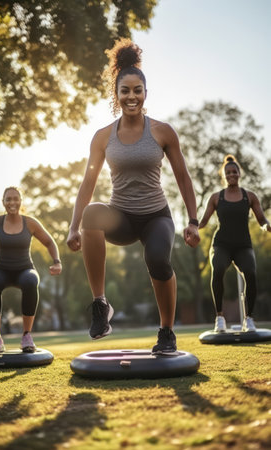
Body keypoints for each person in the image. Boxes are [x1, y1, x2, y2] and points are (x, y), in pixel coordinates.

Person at [67, 38, 200, 355]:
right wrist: (74, 228)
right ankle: (101, 305)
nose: (131, 96)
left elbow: (182, 176)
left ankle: (166, 332)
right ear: (116, 94)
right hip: (123, 217)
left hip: (156, 217)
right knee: (92, 214)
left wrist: (193, 221)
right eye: (124, 91)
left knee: (157, 259)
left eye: (136, 91)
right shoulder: (102, 137)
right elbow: (87, 184)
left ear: (145, 94)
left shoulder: (162, 132)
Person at [0, 186, 62, 353]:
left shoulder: (31, 223)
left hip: (24, 268)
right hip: (1, 269)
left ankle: (27, 335)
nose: (12, 202)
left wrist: (57, 261)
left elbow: (50, 242)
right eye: (8, 199)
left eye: (15, 198)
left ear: (21, 201)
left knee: (31, 280)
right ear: (3, 202)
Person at [199, 154, 271, 332]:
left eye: (234, 172)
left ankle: (249, 318)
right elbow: (204, 221)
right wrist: (192, 228)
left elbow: (261, 219)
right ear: (223, 176)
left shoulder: (250, 196)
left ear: (239, 174)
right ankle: (220, 318)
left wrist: (267, 226)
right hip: (221, 244)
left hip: (243, 245)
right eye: (228, 172)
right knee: (218, 269)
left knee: (251, 273)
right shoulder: (216, 197)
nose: (231, 174)